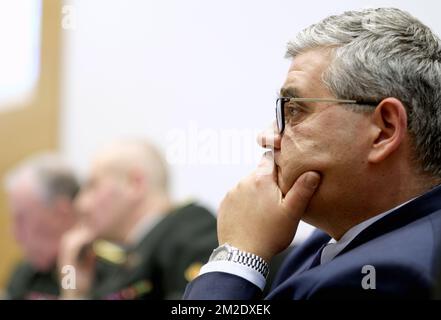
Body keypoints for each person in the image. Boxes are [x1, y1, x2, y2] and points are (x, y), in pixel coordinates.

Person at [184, 7, 441, 299]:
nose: (268, 137)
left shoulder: (389, 278)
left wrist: (237, 258)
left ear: (384, 129)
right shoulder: (341, 234)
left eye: (294, 110)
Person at [58, 139, 218, 299]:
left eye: (93, 185)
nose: (80, 204)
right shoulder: (118, 262)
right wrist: (73, 289)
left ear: (135, 184)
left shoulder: (192, 230)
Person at [3, 153, 79, 299]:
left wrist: (71, 274)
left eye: (23, 219)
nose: (15, 234)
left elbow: (73, 288)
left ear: (61, 214)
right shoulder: (27, 271)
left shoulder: (100, 270)